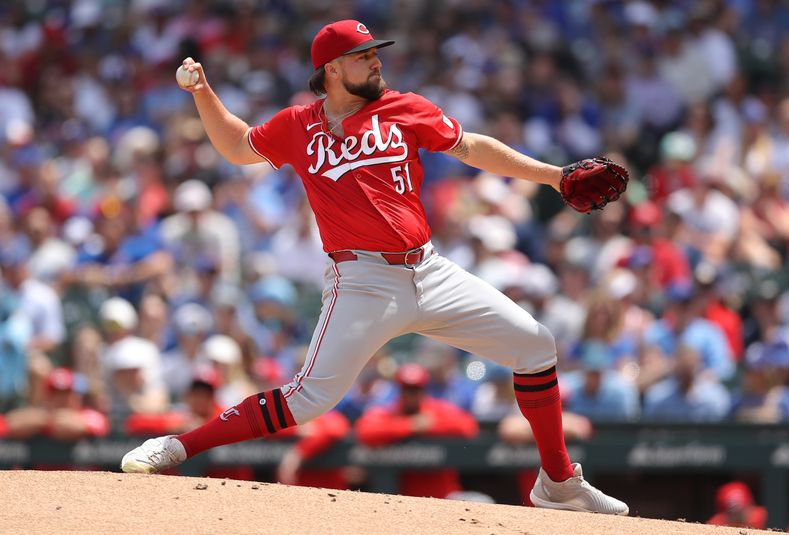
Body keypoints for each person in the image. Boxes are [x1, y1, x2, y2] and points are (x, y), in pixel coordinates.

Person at [121, 19, 628, 515]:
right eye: (364, 55)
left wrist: (553, 176)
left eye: (374, 52)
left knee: (536, 346)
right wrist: (203, 92)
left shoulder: (403, 107)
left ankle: (559, 482)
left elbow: (470, 146)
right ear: (333, 69)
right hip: (361, 281)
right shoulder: (298, 124)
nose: (376, 60)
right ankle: (179, 446)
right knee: (308, 400)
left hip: (429, 270)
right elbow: (235, 145)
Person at [355, 363, 478, 498]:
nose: (411, 394)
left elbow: (469, 427)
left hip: (441, 496)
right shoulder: (391, 412)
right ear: (400, 390)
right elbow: (365, 430)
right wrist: (410, 426)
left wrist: (432, 426)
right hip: (400, 498)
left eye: (415, 389)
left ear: (423, 390)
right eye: (407, 389)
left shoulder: (437, 409)